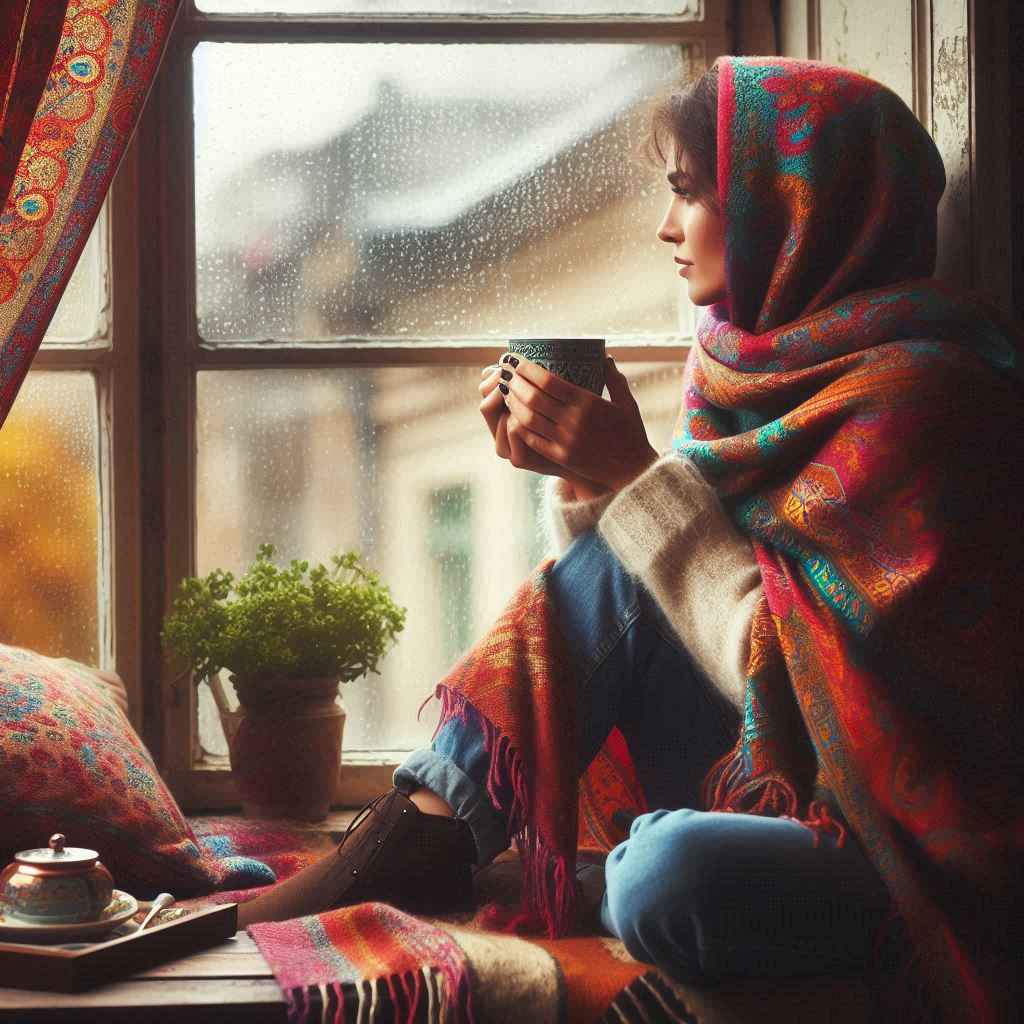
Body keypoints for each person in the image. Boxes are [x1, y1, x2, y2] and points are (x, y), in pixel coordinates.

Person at [238, 56, 1022, 1022]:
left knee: (664, 871)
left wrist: (635, 483)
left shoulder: (928, 400)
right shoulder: (743, 373)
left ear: (795, 207)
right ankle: (420, 833)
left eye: (691, 195)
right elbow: (644, 602)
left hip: (903, 851)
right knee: (647, 816)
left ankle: (454, 850)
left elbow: (815, 687)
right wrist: (584, 481)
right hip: (769, 775)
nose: (664, 227)